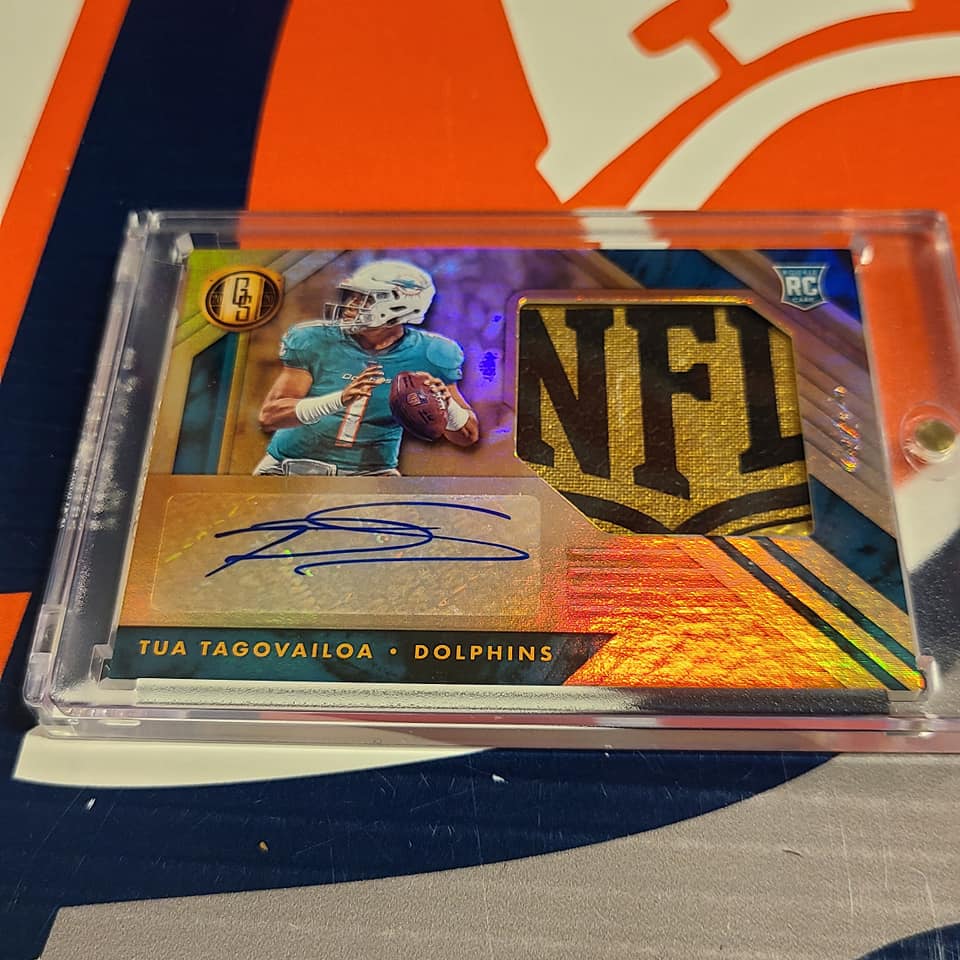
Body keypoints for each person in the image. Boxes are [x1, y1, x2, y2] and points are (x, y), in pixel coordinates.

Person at [254, 259, 478, 476]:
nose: (351, 305)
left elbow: (468, 436)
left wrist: (448, 406)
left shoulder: (432, 353)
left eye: (366, 299)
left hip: (373, 474)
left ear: (399, 307)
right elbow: (270, 416)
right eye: (353, 296)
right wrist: (338, 400)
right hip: (290, 466)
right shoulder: (313, 339)